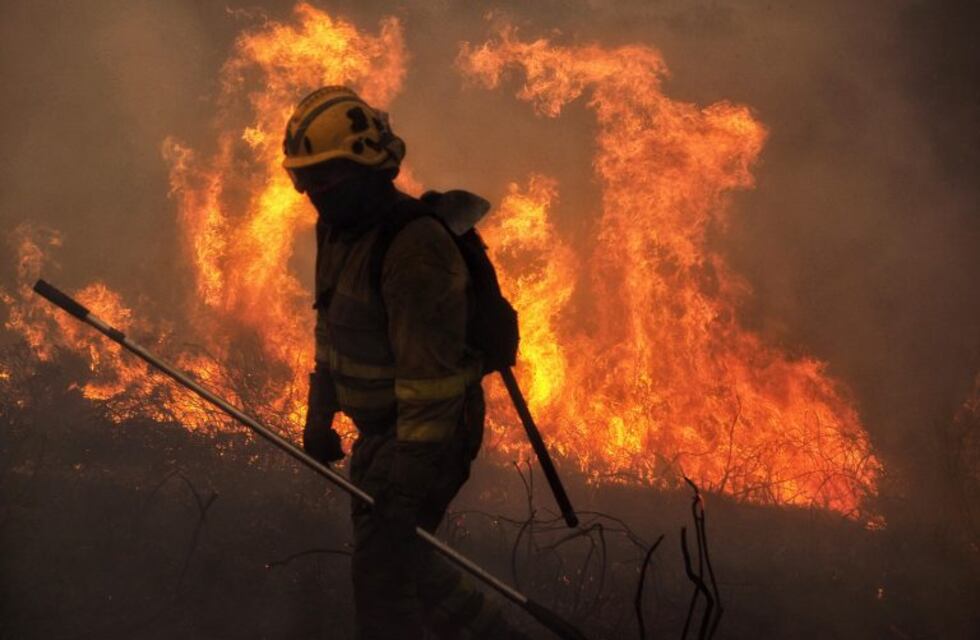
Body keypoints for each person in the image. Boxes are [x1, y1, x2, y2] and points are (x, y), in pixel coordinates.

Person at [282, 86, 527, 639]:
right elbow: (330, 326)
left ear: (366, 165)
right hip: (383, 431)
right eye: (305, 180)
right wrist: (320, 413)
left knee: (382, 583)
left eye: (326, 177)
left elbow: (431, 389)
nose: (314, 193)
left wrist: (406, 487)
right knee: (409, 563)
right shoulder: (336, 229)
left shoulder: (415, 250)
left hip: (430, 436)